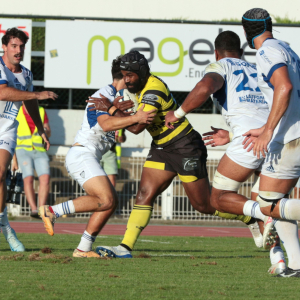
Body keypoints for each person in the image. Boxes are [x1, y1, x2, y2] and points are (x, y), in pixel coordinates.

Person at [89, 51, 259, 259]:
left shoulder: (153, 90)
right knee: (144, 193)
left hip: (185, 146)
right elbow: (132, 119)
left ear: (141, 73)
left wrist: (112, 111)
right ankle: (125, 248)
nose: (126, 80)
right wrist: (118, 109)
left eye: (130, 75)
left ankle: (249, 217)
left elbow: (136, 129)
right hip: (162, 147)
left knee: (203, 205)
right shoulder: (134, 88)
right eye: (123, 75)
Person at [165, 31, 285, 274]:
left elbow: (205, 86)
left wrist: (177, 115)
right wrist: (229, 136)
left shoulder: (220, 65)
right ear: (241, 53)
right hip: (274, 139)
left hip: (250, 143)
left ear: (216, 52)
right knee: (261, 199)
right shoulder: (256, 70)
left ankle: (262, 216)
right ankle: (279, 262)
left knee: (217, 198)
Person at [38, 56, 155, 258]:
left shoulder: (116, 97)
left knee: (111, 202)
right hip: (82, 154)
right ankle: (52, 210)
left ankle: (83, 249)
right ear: (125, 77)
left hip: (89, 155)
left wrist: (124, 118)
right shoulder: (102, 95)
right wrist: (134, 117)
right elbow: (106, 124)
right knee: (106, 199)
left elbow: (121, 128)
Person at [241, 8, 300, 277]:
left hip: (291, 137)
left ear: (246, 31)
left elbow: (284, 87)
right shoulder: (287, 49)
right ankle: (297, 265)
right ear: (270, 26)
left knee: (266, 205)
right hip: (293, 133)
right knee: (277, 202)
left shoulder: (266, 52)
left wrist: (267, 130)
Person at [0, 27, 57, 251]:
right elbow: (3, 92)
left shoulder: (26, 74)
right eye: (14, 45)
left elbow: (30, 103)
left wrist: (41, 129)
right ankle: (5, 226)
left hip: (6, 130)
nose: (18, 50)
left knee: (0, 174)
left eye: (21, 46)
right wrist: (37, 94)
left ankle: (6, 228)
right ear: (4, 47)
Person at [11, 103, 51, 218]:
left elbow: (48, 131)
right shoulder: (17, 111)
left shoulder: (41, 110)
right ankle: (34, 209)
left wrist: (46, 130)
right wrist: (14, 159)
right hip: (22, 149)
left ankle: (41, 209)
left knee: (46, 178)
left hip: (39, 149)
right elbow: (11, 135)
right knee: (28, 178)